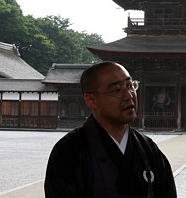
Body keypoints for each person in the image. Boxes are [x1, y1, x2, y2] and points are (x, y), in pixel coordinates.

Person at [44, 61, 177, 198]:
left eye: (130, 86)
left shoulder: (148, 149)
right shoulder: (69, 150)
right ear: (91, 100)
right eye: (117, 90)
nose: (129, 96)